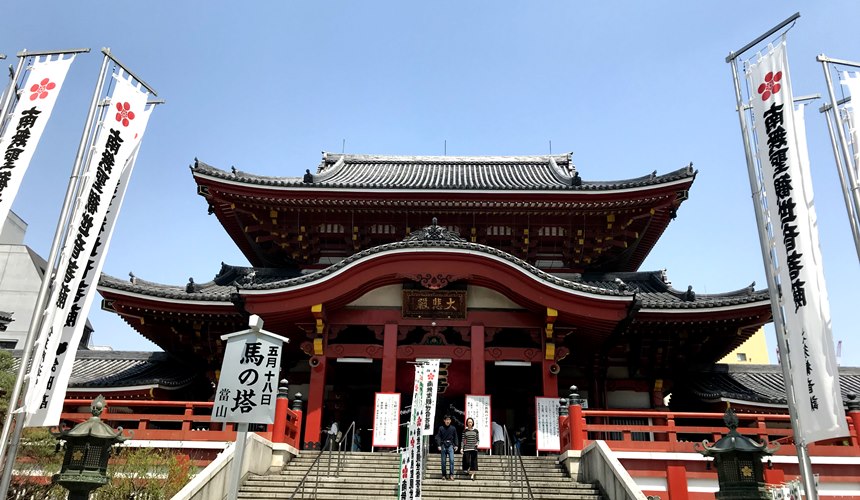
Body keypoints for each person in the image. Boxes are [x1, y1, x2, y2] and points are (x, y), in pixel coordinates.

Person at [434, 415, 458, 480]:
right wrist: (439, 445)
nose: (448, 421)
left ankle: (451, 474)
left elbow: (455, 437)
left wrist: (456, 445)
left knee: (452, 460)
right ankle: (444, 475)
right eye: (446, 420)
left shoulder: (453, 428)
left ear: (450, 421)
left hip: (450, 445)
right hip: (443, 445)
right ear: (444, 420)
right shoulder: (441, 428)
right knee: (443, 461)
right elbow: (438, 437)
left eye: (449, 420)